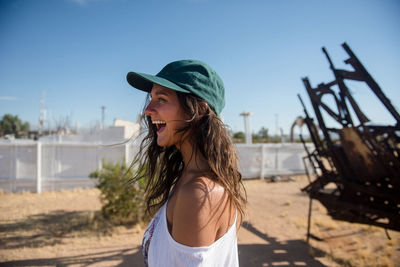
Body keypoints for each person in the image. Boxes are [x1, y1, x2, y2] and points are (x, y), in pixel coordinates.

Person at [126, 60, 246, 267]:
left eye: (161, 99)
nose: (148, 109)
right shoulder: (190, 179)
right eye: (151, 98)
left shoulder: (199, 193)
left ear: (198, 110)